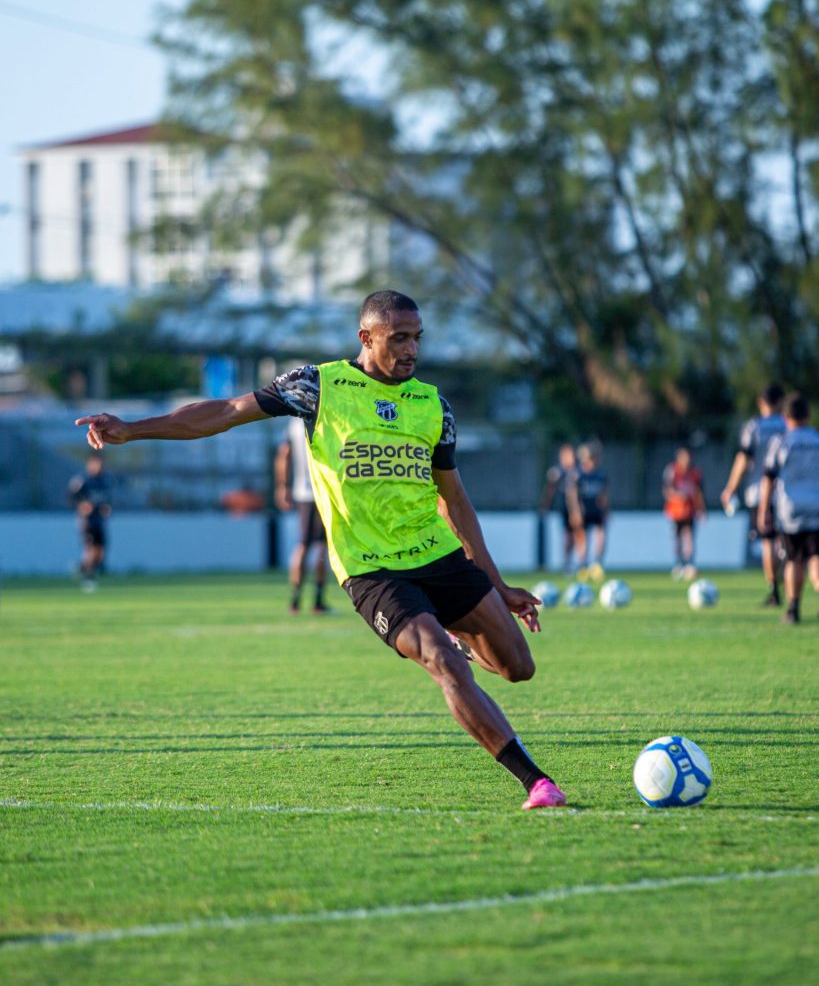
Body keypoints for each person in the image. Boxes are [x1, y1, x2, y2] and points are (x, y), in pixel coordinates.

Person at [75, 289, 566, 809]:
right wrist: (133, 429)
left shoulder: (432, 405)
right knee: (443, 661)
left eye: (417, 338)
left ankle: (456, 632)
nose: (411, 349)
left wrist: (496, 583)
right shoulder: (317, 386)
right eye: (399, 338)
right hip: (371, 570)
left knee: (517, 667)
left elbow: (456, 501)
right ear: (366, 337)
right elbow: (223, 411)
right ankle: (536, 781)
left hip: (437, 553)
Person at [721, 382, 786, 606]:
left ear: (760, 402)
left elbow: (743, 459)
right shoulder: (789, 426)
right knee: (785, 542)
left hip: (759, 493)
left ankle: (774, 590)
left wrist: (730, 487)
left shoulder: (754, 427)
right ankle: (788, 570)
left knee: (768, 542)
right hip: (789, 495)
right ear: (781, 402)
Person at [758, 394, 819, 625]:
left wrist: (765, 509)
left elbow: (768, 478)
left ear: (786, 417)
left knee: (793, 558)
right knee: (816, 557)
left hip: (790, 508)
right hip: (816, 505)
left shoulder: (781, 442)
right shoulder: (817, 439)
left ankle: (793, 609)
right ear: (809, 415)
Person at [274, 416, 331, 614]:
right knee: (322, 545)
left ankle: (295, 600)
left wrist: (282, 486)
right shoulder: (328, 415)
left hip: (302, 491)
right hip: (325, 491)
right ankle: (318, 600)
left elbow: (284, 453)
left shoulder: (294, 422)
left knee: (303, 544)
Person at [68, 453, 112, 592]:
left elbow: (107, 498)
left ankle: (80, 567)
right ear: (90, 464)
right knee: (90, 549)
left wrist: (107, 507)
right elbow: (71, 496)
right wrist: (81, 505)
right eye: (96, 463)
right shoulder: (83, 480)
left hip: (99, 520)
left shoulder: (104, 481)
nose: (99, 466)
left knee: (100, 551)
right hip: (87, 521)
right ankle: (88, 579)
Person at [567, 442, 608, 581]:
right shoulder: (578, 474)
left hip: (596, 510)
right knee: (582, 538)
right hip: (583, 511)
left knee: (601, 535)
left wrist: (607, 509)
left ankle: (596, 563)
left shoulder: (601, 474)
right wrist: (575, 511)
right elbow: (572, 494)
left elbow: (604, 493)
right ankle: (582, 564)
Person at [662, 447, 706, 580]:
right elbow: (667, 490)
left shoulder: (695, 473)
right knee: (677, 538)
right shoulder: (672, 471)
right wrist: (679, 496)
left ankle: (689, 564)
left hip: (690, 511)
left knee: (690, 537)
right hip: (675, 511)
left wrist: (702, 510)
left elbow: (699, 493)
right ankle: (678, 564)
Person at [537, 443, 577, 574]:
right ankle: (567, 562)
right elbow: (550, 490)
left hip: (578, 508)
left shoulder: (577, 472)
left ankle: (583, 563)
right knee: (568, 535)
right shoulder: (557, 472)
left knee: (578, 535)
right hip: (564, 507)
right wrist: (545, 505)